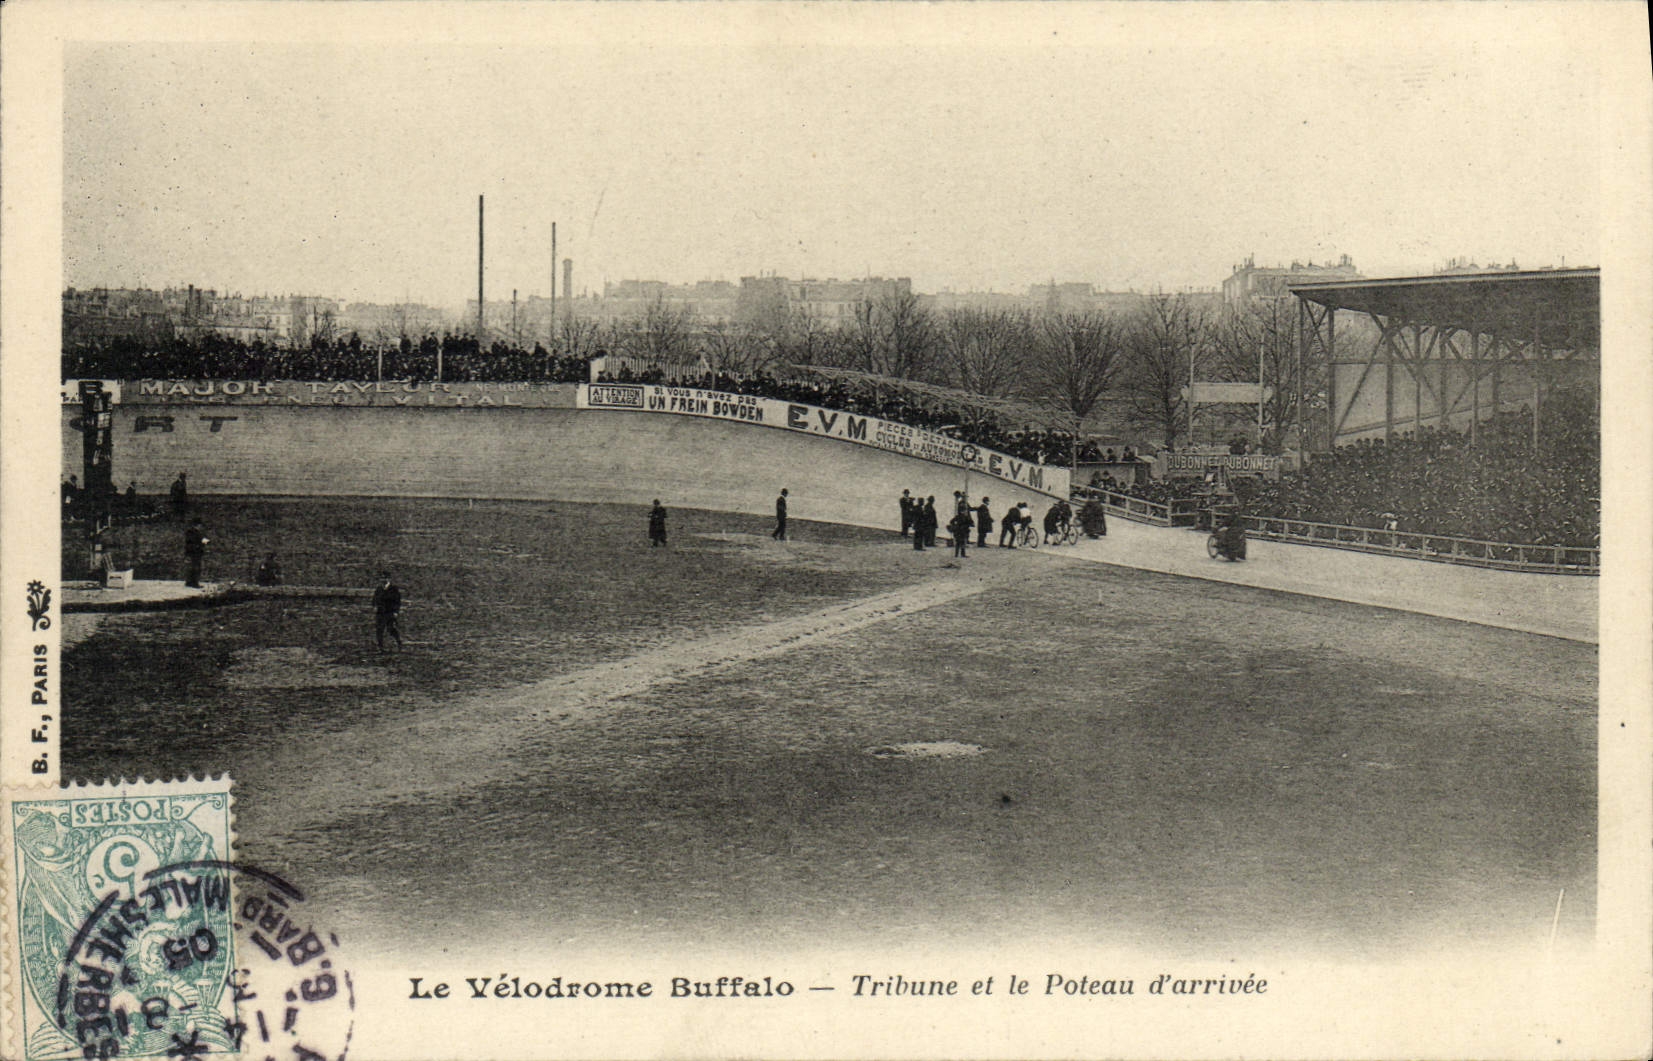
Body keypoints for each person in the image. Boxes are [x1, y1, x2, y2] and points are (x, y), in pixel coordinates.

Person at [373, 572, 403, 650]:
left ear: (388, 579)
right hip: (380, 612)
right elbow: (374, 599)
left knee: (391, 629)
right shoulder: (379, 589)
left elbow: (397, 601)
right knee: (379, 629)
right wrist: (375, 606)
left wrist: (396, 612)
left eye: (385, 578)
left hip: (389, 612)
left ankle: (399, 642)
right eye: (381, 578)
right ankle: (380, 647)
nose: (383, 580)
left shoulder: (394, 589)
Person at [183, 517, 208, 588]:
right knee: (196, 567)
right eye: (200, 525)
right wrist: (203, 542)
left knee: (193, 567)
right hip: (194, 551)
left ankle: (190, 582)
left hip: (193, 551)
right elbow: (193, 541)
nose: (201, 527)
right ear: (197, 525)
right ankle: (194, 582)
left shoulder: (192, 532)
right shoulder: (193, 532)